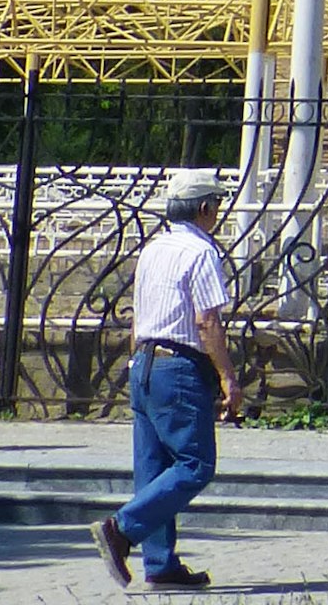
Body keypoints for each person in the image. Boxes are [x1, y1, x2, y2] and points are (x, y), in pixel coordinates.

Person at [93, 166, 241, 589]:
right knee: (195, 464)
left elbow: (140, 314)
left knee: (152, 468)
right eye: (217, 205)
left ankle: (159, 563)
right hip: (178, 365)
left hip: (145, 361)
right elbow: (207, 321)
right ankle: (121, 529)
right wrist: (228, 377)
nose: (218, 212)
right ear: (204, 207)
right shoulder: (201, 252)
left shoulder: (154, 249)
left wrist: (136, 363)